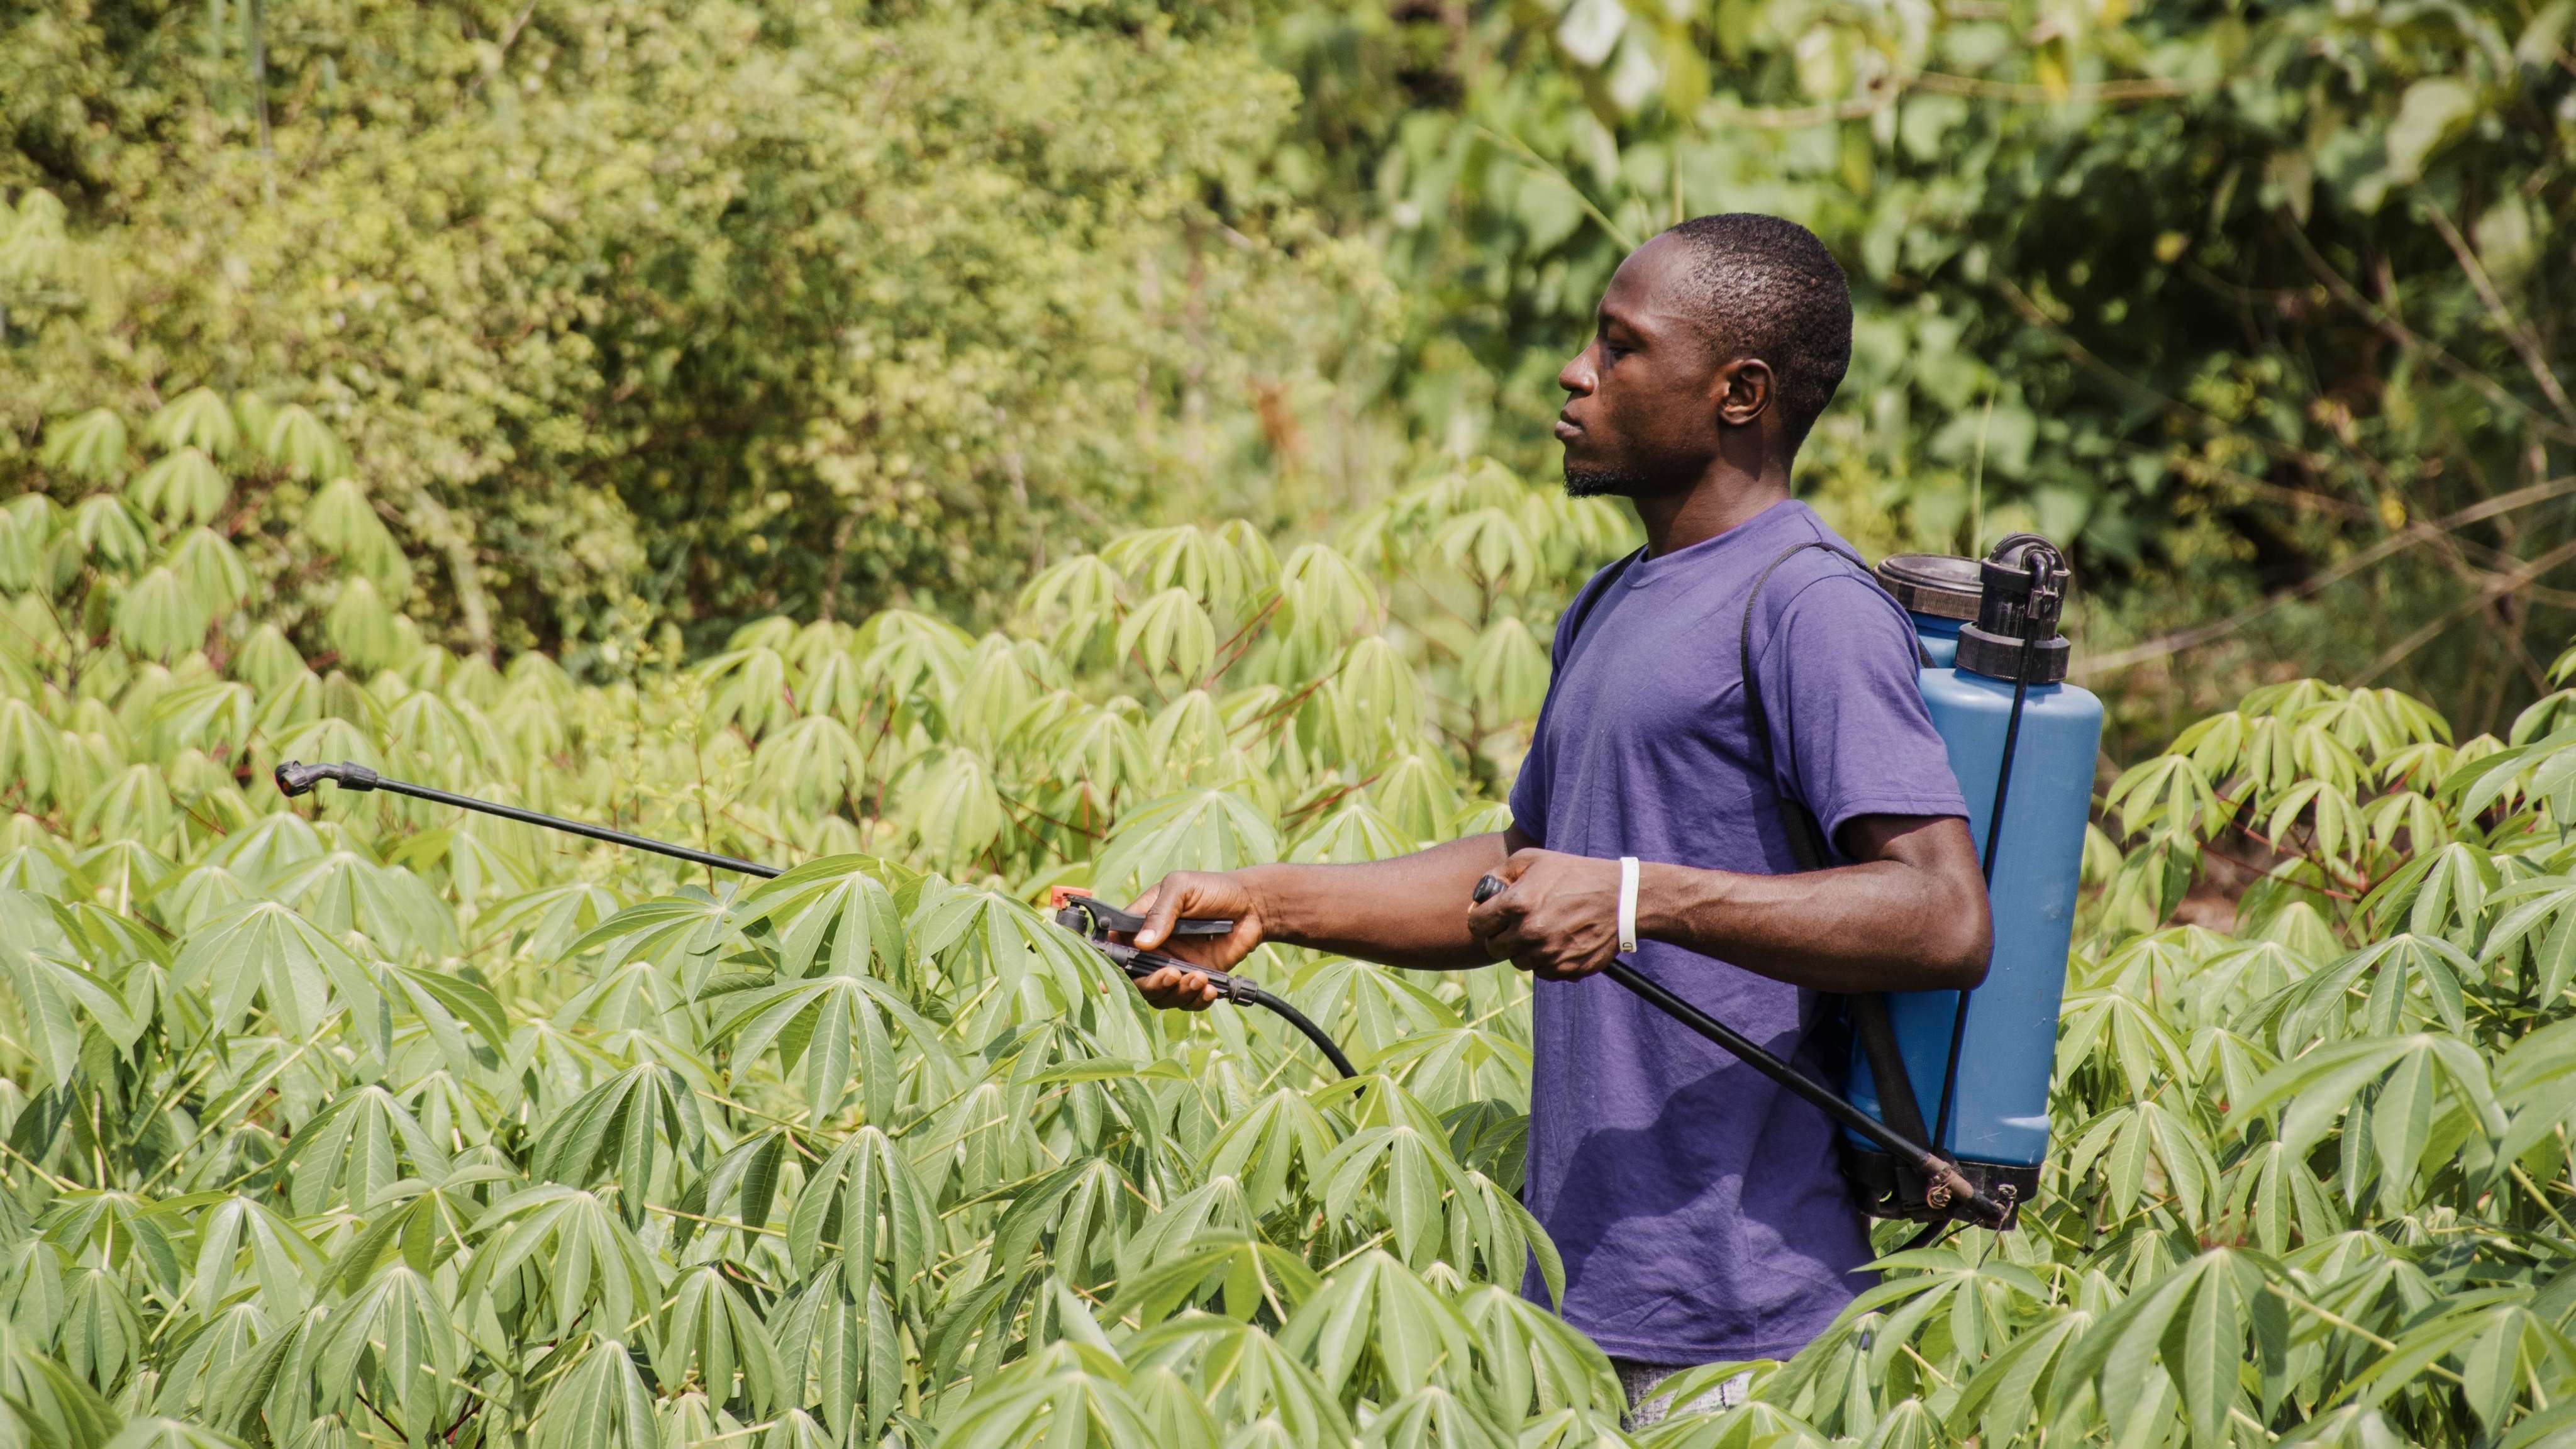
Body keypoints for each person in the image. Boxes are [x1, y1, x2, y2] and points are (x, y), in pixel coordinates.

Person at [1123, 214, 1993, 1428]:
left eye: (1621, 347)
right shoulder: (1615, 598)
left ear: (1739, 392)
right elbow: (1520, 872)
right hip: (1573, 1302)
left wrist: (1641, 899)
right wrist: (1267, 904)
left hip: (1749, 1321)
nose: (1577, 375)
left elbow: (1942, 914)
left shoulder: (1811, 606)